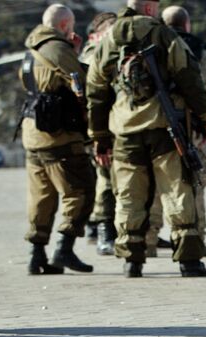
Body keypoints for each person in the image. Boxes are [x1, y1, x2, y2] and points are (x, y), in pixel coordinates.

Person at [86, 0, 206, 278]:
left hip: (124, 131)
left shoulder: (110, 38)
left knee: (130, 193)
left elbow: (95, 90)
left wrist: (99, 136)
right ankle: (189, 261)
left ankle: (132, 260)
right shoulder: (164, 34)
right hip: (165, 127)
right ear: (148, 9)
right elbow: (189, 77)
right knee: (177, 190)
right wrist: (205, 118)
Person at [19, 4, 95, 275]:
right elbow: (82, 85)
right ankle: (64, 248)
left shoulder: (31, 49)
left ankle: (36, 254)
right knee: (82, 190)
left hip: (33, 135)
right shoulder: (57, 49)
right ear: (65, 26)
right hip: (59, 136)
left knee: (42, 197)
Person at [143, 5, 206, 258]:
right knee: (193, 181)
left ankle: (149, 239)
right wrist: (204, 120)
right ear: (187, 25)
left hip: (155, 124)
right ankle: (196, 238)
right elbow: (204, 87)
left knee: (153, 181)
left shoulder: (153, 44)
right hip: (189, 125)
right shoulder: (197, 48)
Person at [79, 12, 119, 256]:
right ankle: (105, 231)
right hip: (100, 128)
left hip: (110, 125)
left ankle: (101, 227)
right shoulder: (94, 55)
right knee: (105, 181)